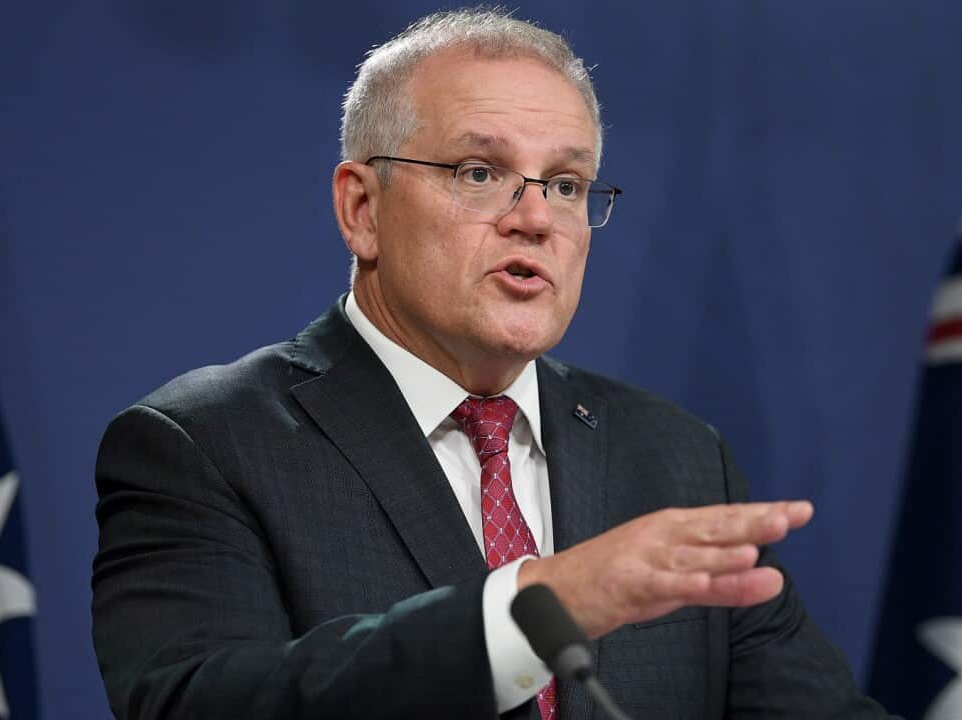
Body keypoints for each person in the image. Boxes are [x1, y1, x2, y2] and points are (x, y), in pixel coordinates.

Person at [91, 8, 893, 719]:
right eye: (481, 173)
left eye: (569, 184)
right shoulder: (205, 444)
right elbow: (200, 702)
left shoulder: (678, 459)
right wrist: (535, 606)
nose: (537, 219)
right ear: (361, 209)